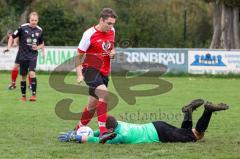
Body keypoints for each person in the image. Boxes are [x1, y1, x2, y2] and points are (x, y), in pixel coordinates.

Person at [58, 99, 229, 144]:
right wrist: (83, 131)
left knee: (197, 136)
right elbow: (100, 134)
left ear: (110, 129)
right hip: (156, 125)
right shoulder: (120, 125)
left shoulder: (120, 136)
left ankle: (207, 111)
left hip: (161, 134)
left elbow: (99, 138)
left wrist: (79, 137)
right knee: (186, 132)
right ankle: (188, 112)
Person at [74, 8, 117, 135]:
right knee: (104, 93)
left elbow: (111, 49)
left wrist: (113, 54)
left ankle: (77, 130)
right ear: (101, 20)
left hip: (104, 72)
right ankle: (103, 132)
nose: (111, 26)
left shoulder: (112, 31)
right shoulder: (89, 34)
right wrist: (79, 74)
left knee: (92, 105)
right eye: (109, 23)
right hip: (90, 69)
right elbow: (79, 56)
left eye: (113, 24)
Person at [5, 12, 44, 101]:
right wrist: (9, 47)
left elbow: (42, 43)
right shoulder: (22, 28)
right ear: (29, 20)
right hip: (23, 56)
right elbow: (12, 36)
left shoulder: (39, 30)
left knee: (32, 73)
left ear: (38, 20)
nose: (34, 22)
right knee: (23, 76)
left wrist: (37, 47)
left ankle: (33, 95)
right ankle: (23, 96)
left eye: (36, 20)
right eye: (32, 20)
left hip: (32, 56)